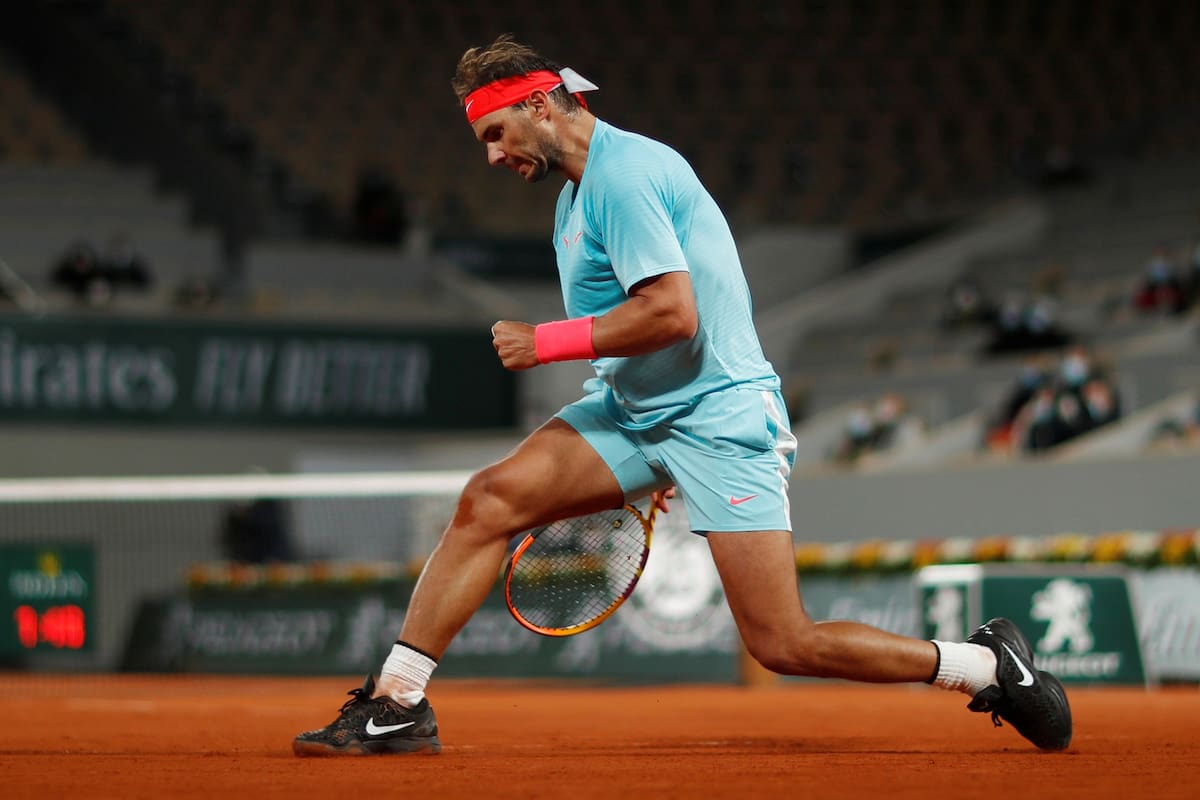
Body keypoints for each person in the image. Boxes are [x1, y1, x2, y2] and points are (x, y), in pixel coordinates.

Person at [293, 35, 1072, 756]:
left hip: (719, 420)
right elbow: (648, 327)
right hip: (635, 415)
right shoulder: (573, 197)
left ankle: (980, 665)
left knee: (782, 642)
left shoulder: (624, 176)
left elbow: (672, 313)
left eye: (495, 133)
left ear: (538, 104)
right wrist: (643, 446)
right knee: (488, 501)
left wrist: (548, 342)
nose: (492, 156)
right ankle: (398, 702)